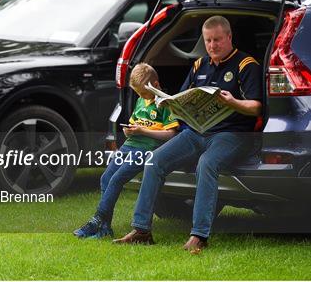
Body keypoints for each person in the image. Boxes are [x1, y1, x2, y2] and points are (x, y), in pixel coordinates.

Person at [113, 15, 263, 253]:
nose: (212, 45)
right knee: (155, 161)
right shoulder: (198, 65)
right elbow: (182, 98)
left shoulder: (246, 65)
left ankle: (199, 235)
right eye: (208, 40)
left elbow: (256, 107)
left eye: (217, 40)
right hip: (195, 133)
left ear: (229, 37)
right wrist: (168, 103)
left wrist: (233, 102)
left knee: (207, 163)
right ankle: (141, 230)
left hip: (232, 135)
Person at [73, 63, 179, 239]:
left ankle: (97, 220)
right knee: (105, 177)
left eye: (144, 93)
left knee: (116, 179)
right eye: (138, 93)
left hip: (146, 149)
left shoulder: (165, 104)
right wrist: (128, 130)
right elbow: (134, 122)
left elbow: (172, 134)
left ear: (156, 84)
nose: (141, 96)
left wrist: (143, 131)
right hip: (129, 145)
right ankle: (105, 228)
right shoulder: (140, 100)